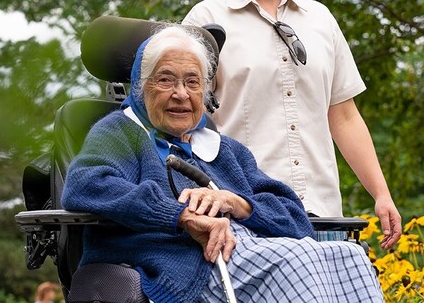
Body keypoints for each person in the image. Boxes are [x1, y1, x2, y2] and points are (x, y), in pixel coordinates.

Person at [61, 24, 385, 303]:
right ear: (140, 87)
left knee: (349, 256)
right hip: (190, 264)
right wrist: (181, 215)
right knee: (296, 259)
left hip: (251, 257)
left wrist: (238, 203)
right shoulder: (122, 133)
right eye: (165, 80)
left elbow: (296, 222)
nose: (181, 94)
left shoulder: (224, 149)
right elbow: (86, 185)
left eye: (192, 82)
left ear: (205, 92)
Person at [183, 0, 401, 249]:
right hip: (246, 214)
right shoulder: (204, 20)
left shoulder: (320, 19)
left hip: (322, 218)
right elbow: (183, 125)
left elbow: (344, 115)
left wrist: (381, 193)